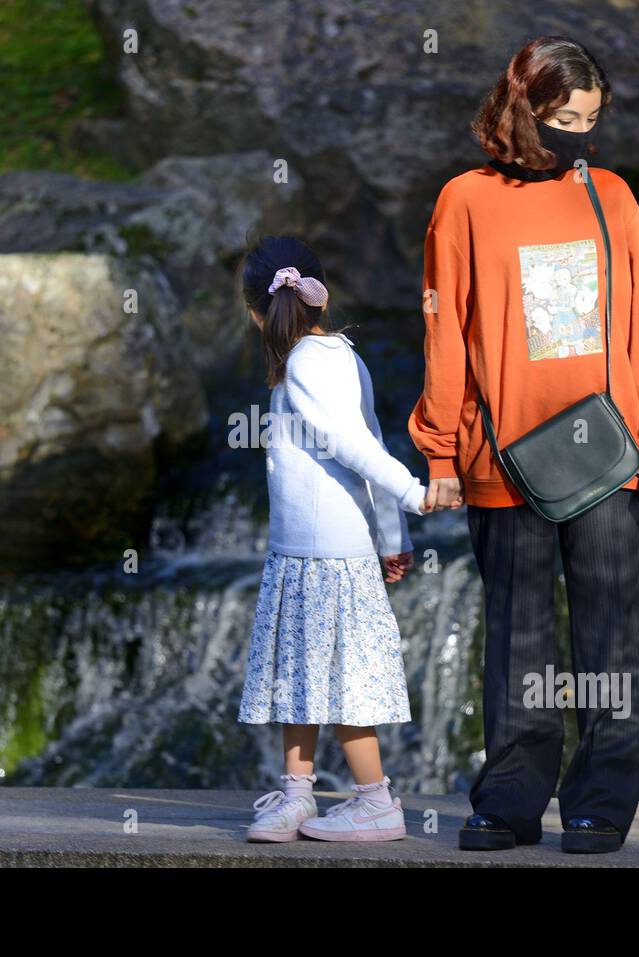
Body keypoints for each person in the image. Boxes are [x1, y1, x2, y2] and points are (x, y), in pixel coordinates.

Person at [408, 36, 639, 853]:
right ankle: (508, 800)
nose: (577, 132)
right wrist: (439, 452)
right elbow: (446, 333)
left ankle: (600, 801)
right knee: (517, 636)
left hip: (605, 452)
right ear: (522, 108)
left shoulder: (610, 195)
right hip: (500, 454)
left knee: (610, 632)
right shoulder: (463, 200)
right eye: (563, 117)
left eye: (590, 119)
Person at [237, 236, 430, 843]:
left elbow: (355, 446)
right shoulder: (341, 354)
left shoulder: (304, 365)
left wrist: (413, 495)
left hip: (325, 556)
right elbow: (374, 434)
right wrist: (393, 539)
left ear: (254, 312)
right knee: (302, 673)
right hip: (308, 552)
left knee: (341, 681)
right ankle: (298, 794)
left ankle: (376, 802)